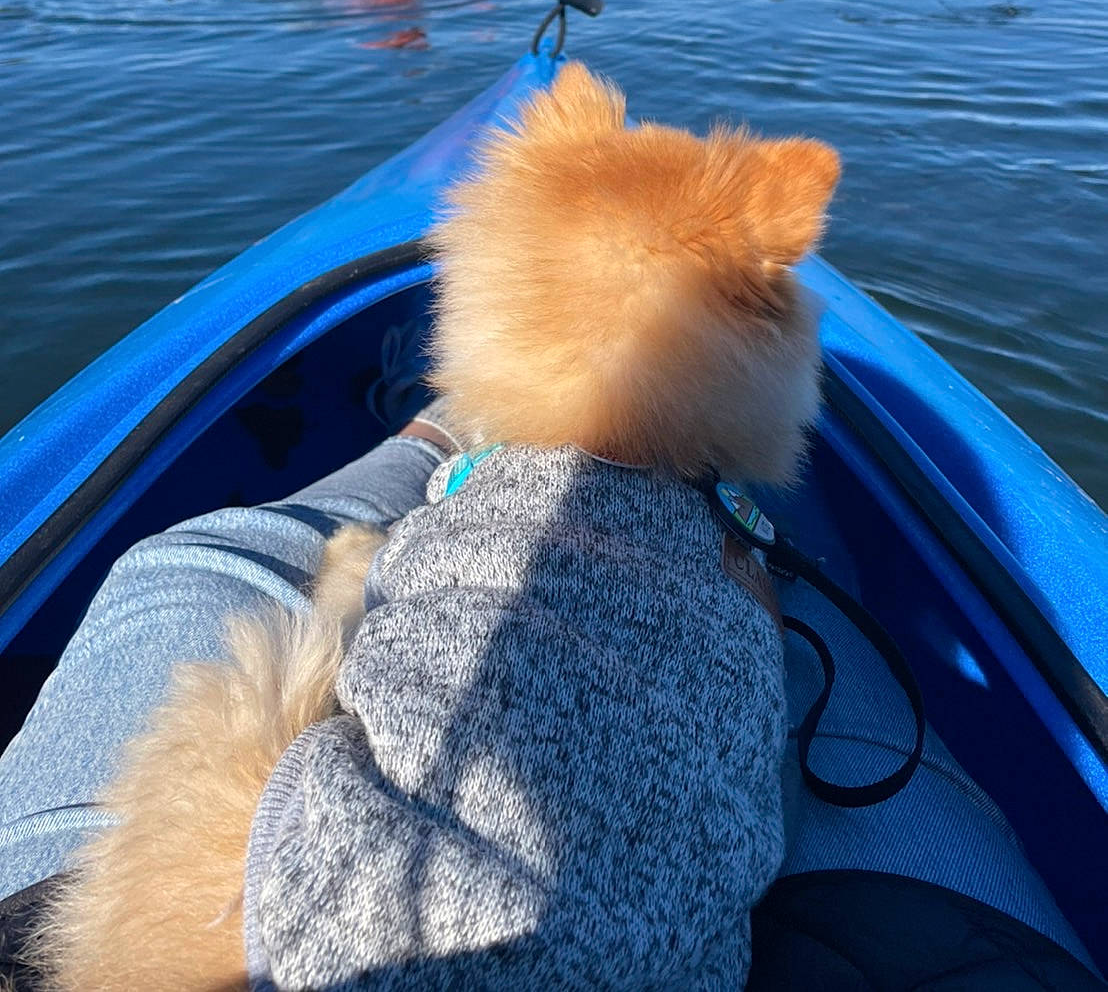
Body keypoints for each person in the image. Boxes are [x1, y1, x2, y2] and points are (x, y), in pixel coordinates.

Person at [0, 401, 1101, 989]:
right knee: (791, 622)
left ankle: (442, 431)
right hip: (911, 958)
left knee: (205, 562)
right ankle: (535, 447)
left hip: (195, 913)